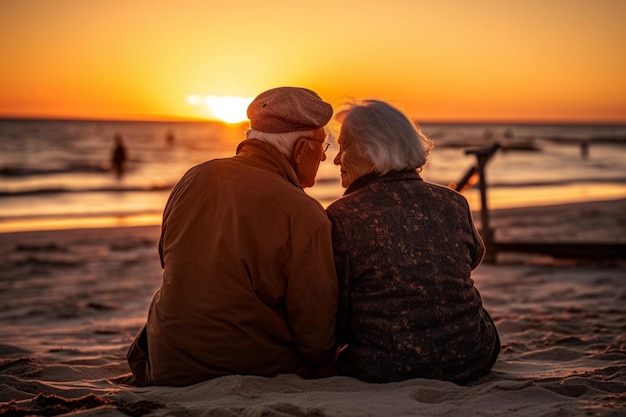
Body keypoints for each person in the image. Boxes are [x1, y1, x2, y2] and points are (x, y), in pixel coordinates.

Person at [128, 87, 338, 386]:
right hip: (248, 371)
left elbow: (166, 259)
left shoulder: (194, 177)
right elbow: (315, 337)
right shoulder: (306, 215)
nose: (325, 157)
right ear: (302, 148)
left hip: (164, 365)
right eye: (322, 145)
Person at [326, 99, 500, 384]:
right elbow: (473, 258)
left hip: (381, 367)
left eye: (344, 148)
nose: (336, 159)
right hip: (470, 357)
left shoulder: (342, 215)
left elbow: (340, 311)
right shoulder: (453, 202)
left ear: (374, 150)